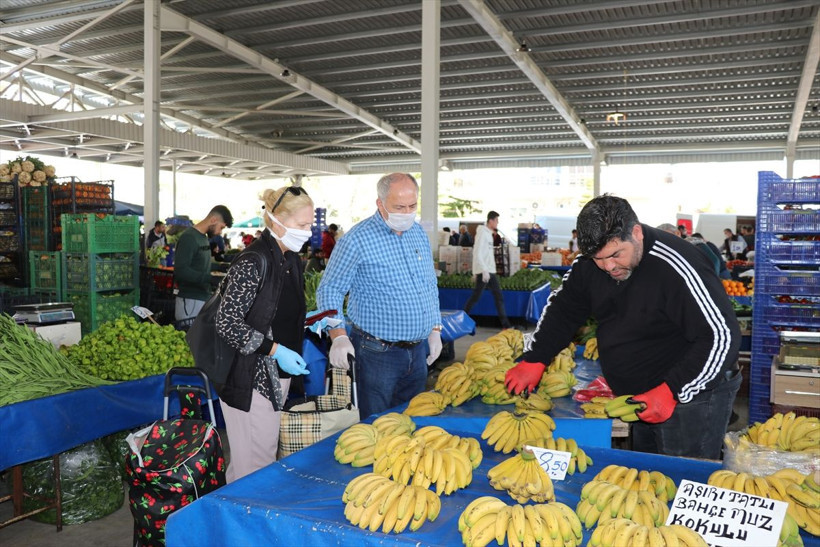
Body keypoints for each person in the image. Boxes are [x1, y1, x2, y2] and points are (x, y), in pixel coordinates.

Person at [505, 195, 741, 459]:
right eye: (598, 258)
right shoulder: (591, 264)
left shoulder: (677, 265)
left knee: (682, 476)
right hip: (641, 393)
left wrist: (672, 390)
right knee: (645, 480)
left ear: (636, 233)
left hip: (693, 394)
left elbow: (722, 335)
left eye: (616, 255)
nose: (608, 267)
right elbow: (565, 307)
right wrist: (536, 358)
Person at [315, 173, 443, 419]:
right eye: (399, 207)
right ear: (380, 203)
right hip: (377, 353)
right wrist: (338, 335)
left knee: (410, 423)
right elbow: (329, 289)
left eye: (412, 206)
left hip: (417, 354)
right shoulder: (356, 240)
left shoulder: (417, 233)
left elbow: (428, 284)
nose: (407, 213)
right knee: (376, 425)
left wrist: (435, 328)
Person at [214, 186, 313, 482]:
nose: (307, 233)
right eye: (301, 225)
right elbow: (227, 322)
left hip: (274, 376)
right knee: (252, 466)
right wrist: (275, 350)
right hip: (250, 377)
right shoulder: (253, 261)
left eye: (310, 225)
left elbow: (275, 312)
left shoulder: (290, 259)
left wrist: (309, 322)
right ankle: (239, 524)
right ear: (275, 220)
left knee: (263, 457)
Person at [174, 205, 233, 324]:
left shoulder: (203, 238)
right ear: (213, 220)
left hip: (203, 298)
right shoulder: (189, 237)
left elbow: (200, 264)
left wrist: (219, 266)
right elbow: (181, 271)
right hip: (190, 300)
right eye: (221, 227)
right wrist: (210, 279)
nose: (220, 232)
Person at [464, 211, 512, 330]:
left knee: (496, 296)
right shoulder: (482, 233)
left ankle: (505, 325)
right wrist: (483, 270)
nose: (497, 223)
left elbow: (486, 253)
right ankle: (461, 319)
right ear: (490, 221)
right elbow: (478, 252)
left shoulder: (489, 234)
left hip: (489, 270)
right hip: (485, 271)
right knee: (477, 297)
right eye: (496, 220)